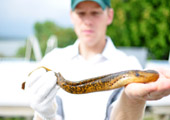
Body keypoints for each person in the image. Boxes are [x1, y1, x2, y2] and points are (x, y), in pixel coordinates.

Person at [25, 0, 170, 120]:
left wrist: (133, 99)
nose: (88, 21)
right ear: (71, 16)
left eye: (95, 12)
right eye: (81, 13)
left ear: (109, 15)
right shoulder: (52, 60)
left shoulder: (129, 64)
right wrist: (43, 115)